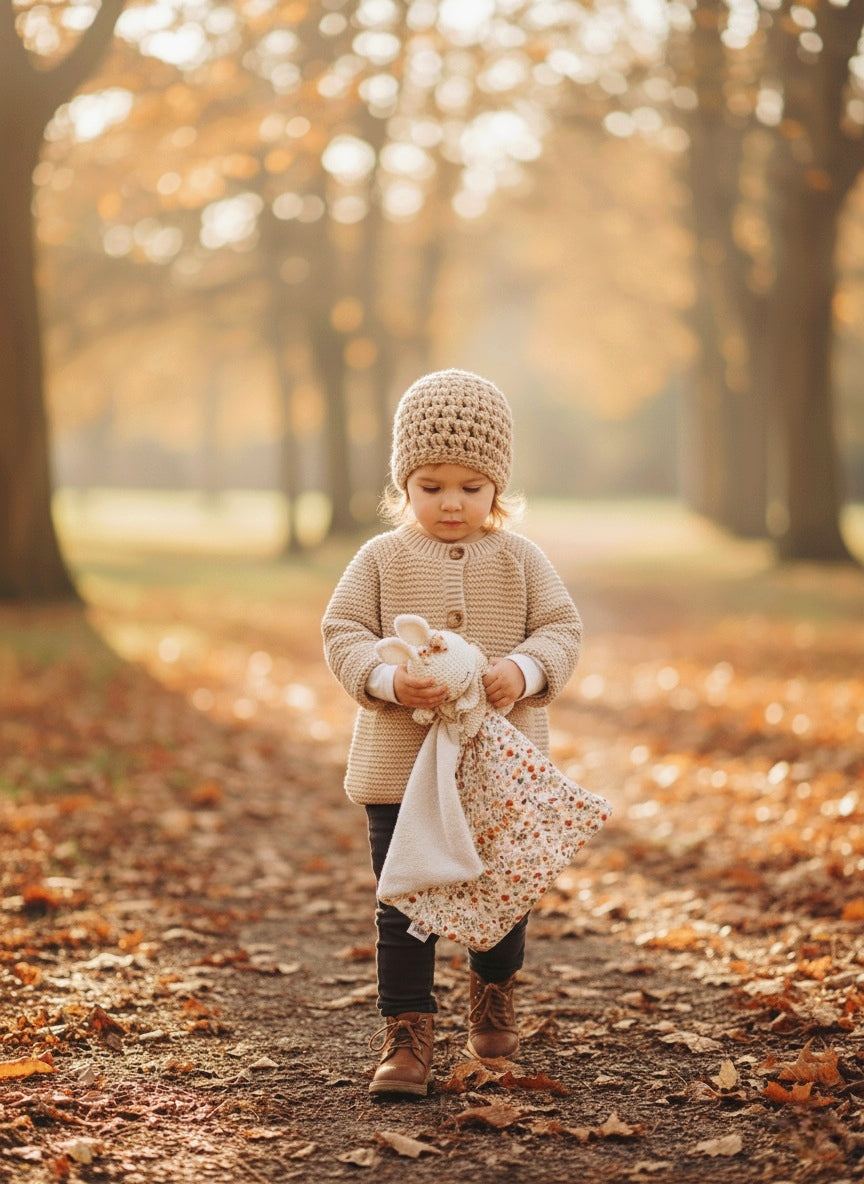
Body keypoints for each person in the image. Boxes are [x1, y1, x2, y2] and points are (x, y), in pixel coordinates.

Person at [321, 369, 582, 1099]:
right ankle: (407, 1031)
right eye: (431, 485)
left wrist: (524, 672)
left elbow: (562, 629)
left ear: (498, 487)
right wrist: (387, 679)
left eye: (471, 486)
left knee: (500, 893)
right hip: (401, 770)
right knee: (404, 901)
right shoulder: (380, 559)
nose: (451, 503)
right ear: (404, 484)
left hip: (499, 771)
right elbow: (342, 633)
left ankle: (492, 991)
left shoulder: (523, 560)